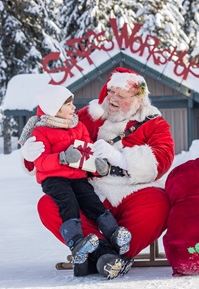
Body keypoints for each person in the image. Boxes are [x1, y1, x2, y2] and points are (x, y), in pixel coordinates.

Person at [21, 68, 175, 279]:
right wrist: (30, 153)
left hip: (134, 191)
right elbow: (51, 124)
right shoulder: (85, 116)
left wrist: (120, 158)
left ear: (138, 100)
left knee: (159, 204)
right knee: (48, 206)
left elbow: (163, 158)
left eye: (121, 95)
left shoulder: (154, 123)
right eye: (111, 91)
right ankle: (105, 255)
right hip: (90, 191)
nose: (112, 98)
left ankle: (99, 254)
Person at [19, 84, 132, 271]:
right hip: (54, 179)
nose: (73, 108)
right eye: (68, 104)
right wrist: (62, 158)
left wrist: (97, 166)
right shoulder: (40, 131)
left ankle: (114, 233)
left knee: (92, 201)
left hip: (78, 177)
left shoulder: (78, 126)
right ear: (55, 108)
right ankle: (77, 242)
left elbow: (88, 150)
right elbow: (41, 163)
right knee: (68, 203)